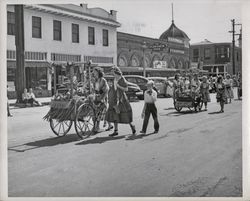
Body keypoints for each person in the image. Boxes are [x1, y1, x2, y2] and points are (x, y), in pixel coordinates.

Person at [105, 66, 136, 137]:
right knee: (115, 114)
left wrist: (118, 86)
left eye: (112, 71)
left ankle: (132, 126)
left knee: (125, 114)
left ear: (115, 71)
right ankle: (116, 131)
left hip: (122, 99)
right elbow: (114, 89)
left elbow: (126, 89)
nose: (111, 72)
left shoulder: (122, 79)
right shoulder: (114, 79)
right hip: (115, 99)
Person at [92, 67, 109, 133]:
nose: (94, 73)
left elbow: (106, 89)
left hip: (102, 97)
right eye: (93, 72)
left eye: (95, 72)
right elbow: (94, 88)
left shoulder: (103, 80)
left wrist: (102, 97)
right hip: (96, 97)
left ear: (98, 72)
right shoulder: (95, 80)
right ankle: (95, 126)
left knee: (99, 113)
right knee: (94, 113)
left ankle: (98, 127)